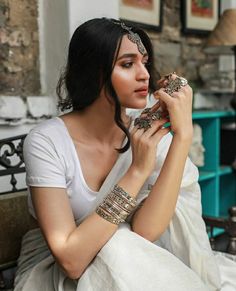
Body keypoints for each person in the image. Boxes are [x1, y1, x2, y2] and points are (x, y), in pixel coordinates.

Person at [14, 17, 232, 291]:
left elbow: (146, 232)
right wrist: (137, 170)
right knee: (119, 242)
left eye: (145, 62)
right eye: (128, 64)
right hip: (53, 274)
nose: (144, 74)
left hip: (126, 267)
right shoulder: (47, 141)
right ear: (94, 72)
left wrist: (182, 137)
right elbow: (71, 260)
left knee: (122, 242)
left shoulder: (145, 132)